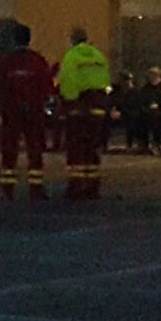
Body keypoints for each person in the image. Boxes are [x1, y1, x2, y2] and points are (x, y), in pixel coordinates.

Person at [0, 24, 53, 200]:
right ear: (29, 39)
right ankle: (36, 188)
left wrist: (5, 104)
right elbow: (46, 85)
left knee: (9, 149)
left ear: (13, 39)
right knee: (35, 149)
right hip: (34, 112)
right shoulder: (37, 60)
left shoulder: (6, 62)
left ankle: (7, 189)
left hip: (12, 112)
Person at [59, 28, 111, 200]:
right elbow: (106, 82)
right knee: (92, 147)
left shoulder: (71, 56)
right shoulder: (98, 56)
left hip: (79, 107)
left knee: (76, 147)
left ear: (72, 40)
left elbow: (68, 81)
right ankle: (93, 187)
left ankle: (76, 186)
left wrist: (68, 103)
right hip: (98, 106)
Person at [137, 66, 161, 154]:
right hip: (147, 111)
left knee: (156, 119)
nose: (152, 76)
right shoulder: (145, 88)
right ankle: (143, 144)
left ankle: (157, 143)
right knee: (139, 118)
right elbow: (141, 101)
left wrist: (159, 107)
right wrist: (147, 108)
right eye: (150, 75)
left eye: (154, 74)